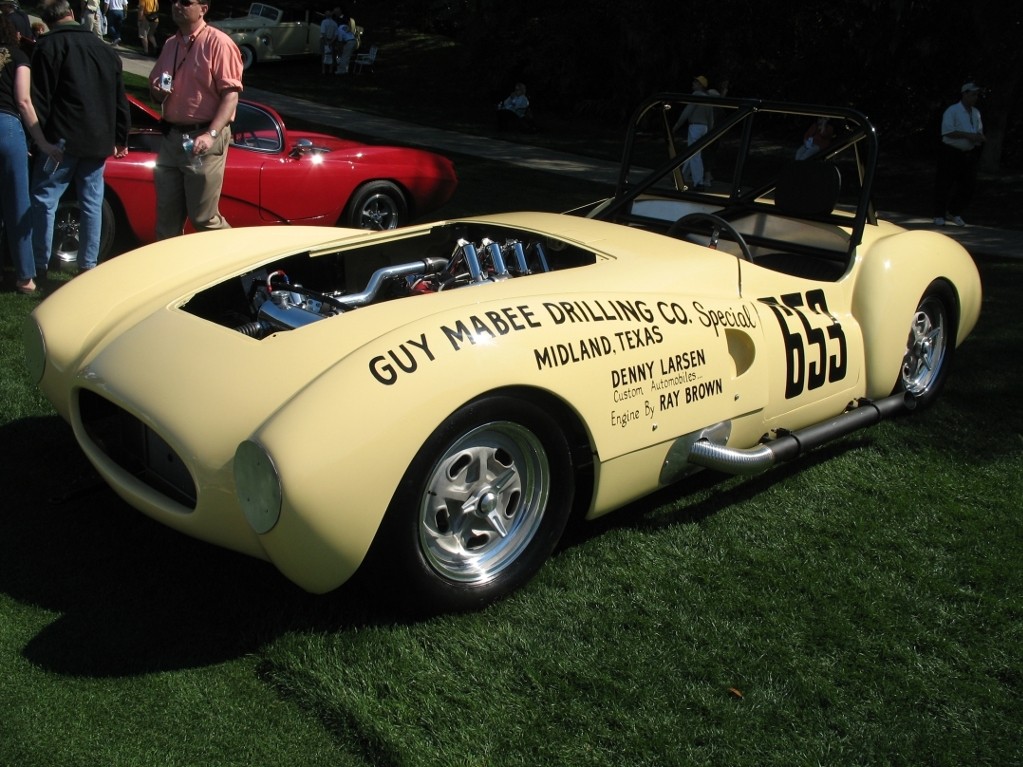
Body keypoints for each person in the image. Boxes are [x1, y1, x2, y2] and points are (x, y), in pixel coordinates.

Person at [30, 0, 129, 276]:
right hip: (98, 139)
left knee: (45, 198)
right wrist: (121, 135)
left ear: (48, 20)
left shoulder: (48, 46)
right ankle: (88, 264)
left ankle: (41, 262)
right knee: (91, 203)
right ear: (72, 13)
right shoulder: (105, 50)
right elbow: (119, 99)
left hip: (61, 139)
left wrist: (36, 138)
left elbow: (41, 99)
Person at [149, 0, 242, 239]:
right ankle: (173, 274)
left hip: (203, 139)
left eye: (186, 2)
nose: (177, 6)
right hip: (172, 139)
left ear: (203, 8)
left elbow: (231, 97)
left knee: (204, 219)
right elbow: (154, 89)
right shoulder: (171, 44)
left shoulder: (219, 43)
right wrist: (158, 90)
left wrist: (211, 134)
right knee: (166, 223)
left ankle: (239, 266)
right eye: (175, 1)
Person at [1, 14, 57, 293]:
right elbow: (23, 101)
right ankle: (25, 277)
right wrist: (42, 142)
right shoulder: (18, 57)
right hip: (8, 128)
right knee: (17, 203)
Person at [933, 82, 986, 227]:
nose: (975, 97)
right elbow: (948, 132)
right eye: (972, 94)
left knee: (968, 185)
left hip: (968, 153)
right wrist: (969, 136)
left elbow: (978, 130)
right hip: (950, 152)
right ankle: (939, 214)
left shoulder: (976, 112)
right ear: (964, 94)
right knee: (944, 183)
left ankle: (954, 212)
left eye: (976, 95)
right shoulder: (953, 111)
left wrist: (979, 137)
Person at [672, 75, 714, 189]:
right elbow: (711, 118)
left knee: (694, 155)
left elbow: (686, 112)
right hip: (704, 128)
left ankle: (698, 182)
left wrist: (676, 126)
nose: (693, 84)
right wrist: (711, 132)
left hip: (695, 127)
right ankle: (681, 177)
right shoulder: (708, 98)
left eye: (695, 82)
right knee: (692, 153)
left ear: (700, 85)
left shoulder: (696, 95)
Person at [318, 7, 337, 75]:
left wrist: (326, 41)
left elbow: (323, 32)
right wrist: (331, 41)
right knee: (331, 55)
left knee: (324, 55)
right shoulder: (334, 23)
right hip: (332, 40)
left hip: (324, 40)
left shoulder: (324, 22)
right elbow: (335, 34)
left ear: (325, 15)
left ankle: (323, 70)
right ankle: (330, 70)